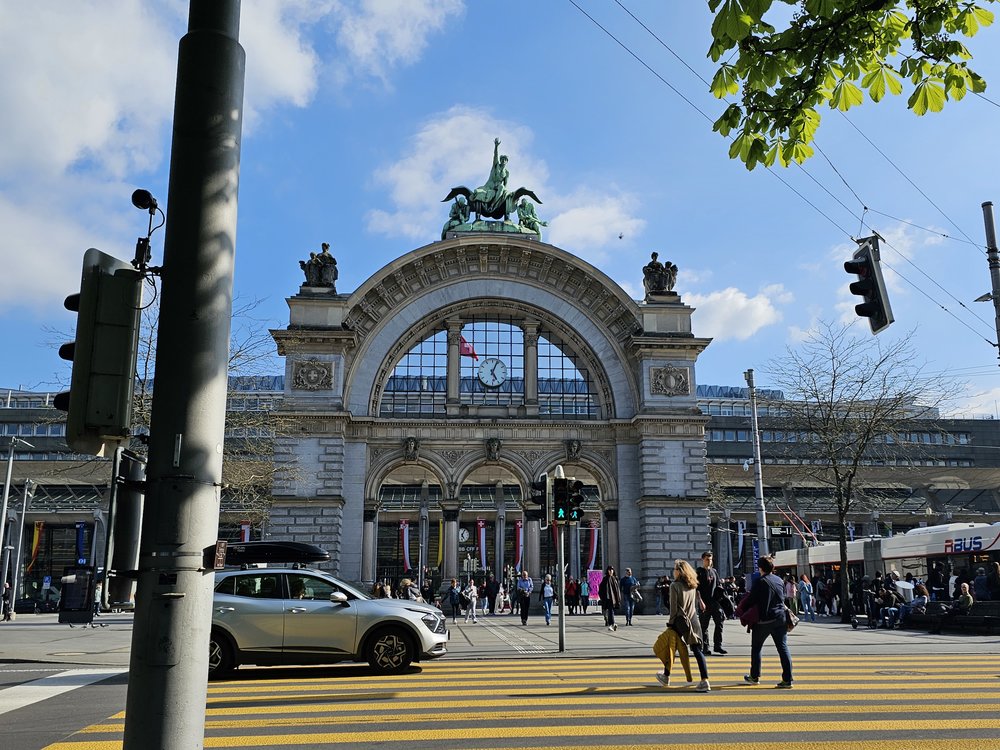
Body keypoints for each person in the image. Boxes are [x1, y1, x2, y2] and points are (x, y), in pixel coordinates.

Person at [657, 559, 710, 692]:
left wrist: (670, 623)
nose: (673, 571)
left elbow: (674, 609)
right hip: (693, 620)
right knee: (697, 650)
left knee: (672, 646)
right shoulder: (692, 585)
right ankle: (667, 676)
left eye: (675, 569)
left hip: (680, 621)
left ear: (679, 572)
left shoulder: (674, 586)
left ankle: (704, 681)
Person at [743, 556, 794, 689]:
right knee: (783, 648)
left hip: (765, 620)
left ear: (760, 567)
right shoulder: (779, 580)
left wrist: (742, 609)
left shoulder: (760, 581)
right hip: (781, 618)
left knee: (757, 648)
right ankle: (787, 679)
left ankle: (754, 676)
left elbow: (751, 600)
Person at [696, 552, 727, 655]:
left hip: (715, 602)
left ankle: (718, 646)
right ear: (702, 560)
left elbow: (718, 586)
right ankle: (705, 647)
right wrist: (700, 601)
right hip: (704, 603)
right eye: (707, 559)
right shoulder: (699, 572)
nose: (709, 561)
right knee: (704, 626)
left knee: (720, 622)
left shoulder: (714, 571)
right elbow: (696, 588)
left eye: (710, 559)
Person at [599, 566, 622, 632]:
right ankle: (612, 624)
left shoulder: (615, 578)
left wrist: (618, 598)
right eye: (609, 570)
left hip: (613, 598)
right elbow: (601, 588)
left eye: (612, 570)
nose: (610, 571)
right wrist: (602, 597)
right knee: (610, 611)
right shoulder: (605, 579)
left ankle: (612, 624)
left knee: (611, 611)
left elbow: (617, 589)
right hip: (607, 598)